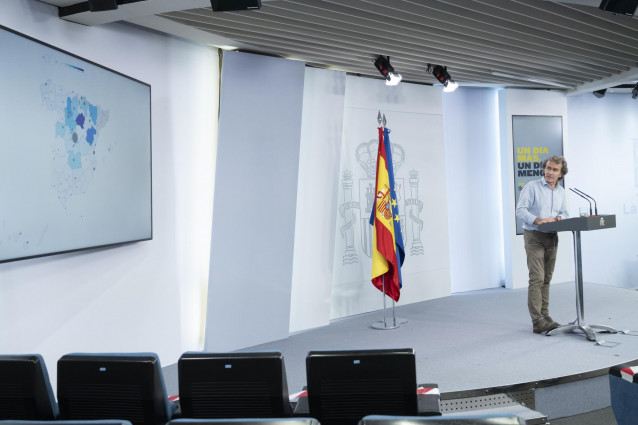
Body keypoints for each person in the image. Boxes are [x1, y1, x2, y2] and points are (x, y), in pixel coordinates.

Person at [516, 155, 569, 334]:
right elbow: (520, 210)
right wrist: (537, 220)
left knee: (547, 279)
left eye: (554, 170)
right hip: (534, 236)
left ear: (561, 173)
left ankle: (546, 317)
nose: (549, 172)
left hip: (552, 237)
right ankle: (537, 321)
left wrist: (561, 217)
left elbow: (564, 212)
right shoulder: (532, 187)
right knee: (537, 278)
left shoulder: (561, 192)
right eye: (548, 168)